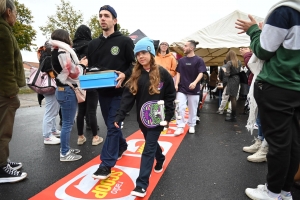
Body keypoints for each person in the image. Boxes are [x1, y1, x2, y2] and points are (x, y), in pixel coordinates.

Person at [235, 1, 300, 199]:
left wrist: (254, 31)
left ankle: (272, 192)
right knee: (292, 143)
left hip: (277, 84)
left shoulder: (284, 11)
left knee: (279, 144)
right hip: (296, 88)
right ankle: (284, 191)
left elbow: (263, 50)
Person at [114, 37, 176, 197]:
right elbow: (127, 97)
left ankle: (141, 184)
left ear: (151, 53)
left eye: (144, 52)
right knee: (151, 143)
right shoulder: (135, 75)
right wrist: (119, 116)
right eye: (138, 54)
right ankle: (160, 158)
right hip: (142, 118)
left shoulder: (163, 73)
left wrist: (168, 116)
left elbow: (170, 95)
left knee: (147, 149)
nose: (141, 56)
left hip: (157, 116)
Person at [87, 5, 135, 179]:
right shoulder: (93, 44)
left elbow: (134, 64)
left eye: (106, 16)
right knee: (111, 125)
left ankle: (106, 164)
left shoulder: (124, 41)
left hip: (120, 92)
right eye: (100, 16)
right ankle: (121, 146)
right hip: (102, 93)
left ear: (114, 20)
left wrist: (125, 74)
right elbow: (90, 66)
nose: (102, 18)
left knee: (113, 125)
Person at [49, 29, 88, 162]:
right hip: (67, 90)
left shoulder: (54, 52)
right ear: (65, 38)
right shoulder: (63, 52)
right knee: (67, 124)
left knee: (67, 122)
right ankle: (64, 153)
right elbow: (74, 73)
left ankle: (65, 148)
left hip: (60, 89)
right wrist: (82, 65)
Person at [0, 0, 27, 183]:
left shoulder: (4, 29)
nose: (16, 16)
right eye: (15, 12)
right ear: (8, 12)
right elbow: (5, 65)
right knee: (4, 131)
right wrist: (11, 91)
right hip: (4, 92)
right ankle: (2, 169)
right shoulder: (2, 31)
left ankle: (3, 161)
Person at [73, 25, 103, 146]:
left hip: (79, 82)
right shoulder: (91, 46)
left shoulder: (73, 49)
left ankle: (80, 137)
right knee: (91, 110)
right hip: (91, 80)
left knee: (81, 111)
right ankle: (95, 137)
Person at [174, 40, 206, 135]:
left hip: (194, 88)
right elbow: (178, 73)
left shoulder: (199, 60)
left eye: (185, 46)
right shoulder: (181, 60)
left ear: (191, 48)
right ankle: (180, 126)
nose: (183, 47)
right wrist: (176, 84)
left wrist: (195, 82)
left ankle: (192, 125)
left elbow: (201, 73)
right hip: (182, 88)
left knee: (193, 108)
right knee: (179, 107)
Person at [37, 43, 61, 145]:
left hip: (49, 89)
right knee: (51, 111)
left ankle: (53, 130)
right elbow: (52, 74)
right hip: (51, 88)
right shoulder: (48, 58)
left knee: (53, 110)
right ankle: (47, 136)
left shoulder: (44, 56)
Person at [223, 50, 241, 122]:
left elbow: (227, 74)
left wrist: (224, 71)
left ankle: (233, 116)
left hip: (231, 80)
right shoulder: (239, 62)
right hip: (237, 80)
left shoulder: (229, 63)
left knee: (232, 98)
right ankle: (234, 115)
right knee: (234, 98)